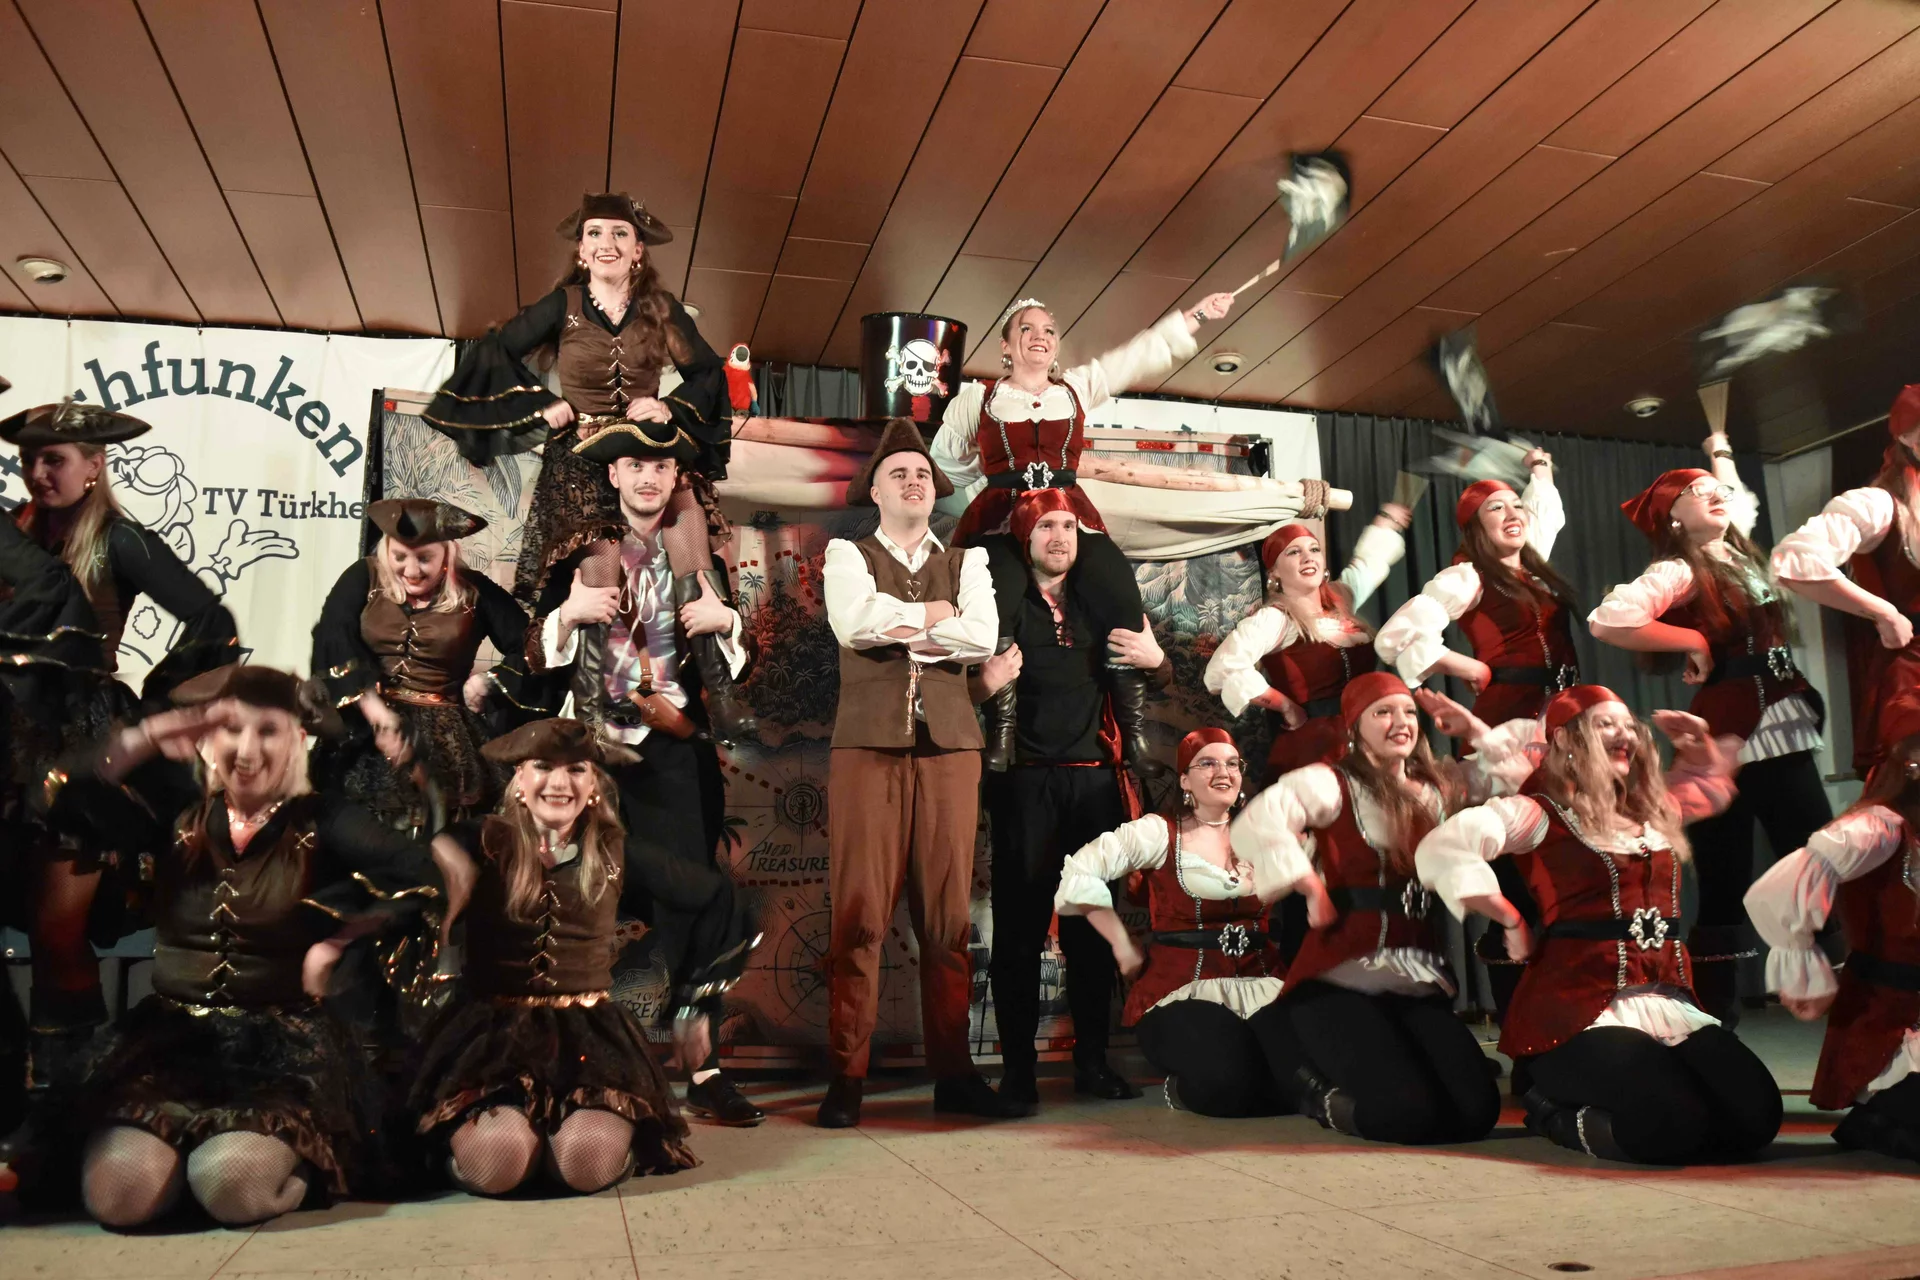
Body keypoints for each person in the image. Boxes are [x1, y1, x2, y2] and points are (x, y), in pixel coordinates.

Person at [35, 664, 463, 1227]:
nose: (247, 749)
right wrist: (148, 736)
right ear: (208, 738)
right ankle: (185, 1162)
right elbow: (64, 794)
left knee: (232, 1184)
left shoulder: (324, 819)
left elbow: (425, 873)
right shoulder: (175, 811)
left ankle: (288, 1170)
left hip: (281, 1057)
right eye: (232, 729)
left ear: (298, 739)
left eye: (268, 731)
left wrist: (343, 938)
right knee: (119, 1195)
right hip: (173, 1045)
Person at [422, 192, 752, 741]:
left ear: (638, 249)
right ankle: (597, 700)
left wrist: (668, 407)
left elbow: (707, 373)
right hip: (580, 454)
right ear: (581, 248)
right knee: (600, 553)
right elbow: (496, 350)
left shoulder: (659, 309)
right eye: (595, 233)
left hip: (645, 447)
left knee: (688, 529)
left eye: (620, 234)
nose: (607, 244)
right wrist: (539, 404)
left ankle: (720, 694)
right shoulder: (564, 305)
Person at [1416, 685, 1783, 1165]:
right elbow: (1444, 845)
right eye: (1605, 724)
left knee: (1756, 1119)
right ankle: (1548, 1110)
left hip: (1666, 1003)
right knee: (1670, 1125)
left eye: (1629, 725)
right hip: (1576, 1013)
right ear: (1565, 740)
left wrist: (1699, 750)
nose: (1624, 734)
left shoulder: (1654, 811)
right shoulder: (1538, 814)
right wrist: (1508, 917)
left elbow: (1713, 788)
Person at [528, 423, 765, 1126]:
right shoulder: (580, 554)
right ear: (614, 476)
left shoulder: (696, 556)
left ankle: (703, 1069)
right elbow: (530, 655)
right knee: (581, 905)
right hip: (591, 759)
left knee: (693, 904)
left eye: (661, 466)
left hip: (672, 757)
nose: (648, 478)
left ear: (675, 478)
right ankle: (579, 1072)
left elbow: (739, 661)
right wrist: (568, 614)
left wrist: (725, 620)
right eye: (635, 465)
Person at [3, 399, 239, 1098]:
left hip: (78, 741)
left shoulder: (118, 540)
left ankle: (73, 1098)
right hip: (10, 735)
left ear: (94, 465)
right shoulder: (13, 532)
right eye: (28, 460)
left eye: (54, 460)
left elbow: (212, 619)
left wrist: (159, 708)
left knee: (56, 930)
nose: (38, 474)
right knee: (28, 920)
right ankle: (33, 1096)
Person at [411, 719, 719, 1194]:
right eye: (542, 767)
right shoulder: (480, 839)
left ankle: (569, 1151)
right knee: (498, 1163)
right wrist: (438, 853)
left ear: (594, 783)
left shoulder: (616, 850)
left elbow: (716, 899)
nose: (560, 783)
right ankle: (515, 1151)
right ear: (518, 778)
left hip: (590, 1041)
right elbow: (404, 874)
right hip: (493, 1039)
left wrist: (694, 1002)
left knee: (585, 1164)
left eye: (576, 769)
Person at [931, 293, 1235, 773]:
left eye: (1048, 330)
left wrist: (1195, 315)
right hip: (1003, 518)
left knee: (1118, 588)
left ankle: (1134, 737)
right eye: (1027, 329)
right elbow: (946, 464)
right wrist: (992, 472)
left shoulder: (1075, 388)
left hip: (1066, 512)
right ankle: (1002, 733)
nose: (1040, 337)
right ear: (1005, 346)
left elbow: (1134, 356)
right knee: (995, 598)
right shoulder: (979, 398)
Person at [1589, 435, 1832, 1022]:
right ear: (1673, 516)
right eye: (1697, 492)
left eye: (1716, 489)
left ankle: (1827, 992)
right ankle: (1718, 1014)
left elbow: (1740, 498)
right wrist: (1692, 639)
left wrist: (1721, 453)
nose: (1716, 495)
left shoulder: (1739, 553)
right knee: (1760, 869)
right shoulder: (1679, 568)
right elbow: (1609, 619)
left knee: (1810, 859)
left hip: (1777, 716)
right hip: (1736, 728)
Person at [816, 418, 1013, 1127]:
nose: (913, 482)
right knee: (860, 915)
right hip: (867, 747)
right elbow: (853, 624)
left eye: (923, 474)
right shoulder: (847, 553)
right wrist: (934, 616)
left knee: (948, 920)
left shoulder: (970, 562)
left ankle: (954, 1074)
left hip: (952, 749)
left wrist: (903, 623)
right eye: (898, 473)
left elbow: (980, 637)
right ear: (874, 490)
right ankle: (847, 1075)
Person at [1230, 672, 1513, 1145]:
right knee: (1406, 1114)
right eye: (1383, 712)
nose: (1400, 722)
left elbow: (1520, 773)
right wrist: (1308, 884)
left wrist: (1473, 729)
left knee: (1476, 1113)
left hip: (1413, 981)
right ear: (1354, 727)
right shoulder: (1330, 784)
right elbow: (1258, 821)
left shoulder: (1439, 788)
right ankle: (1314, 1092)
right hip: (1338, 981)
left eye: (1409, 712)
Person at [971, 488, 1170, 1112]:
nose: (1059, 536)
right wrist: (983, 685)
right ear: (1025, 538)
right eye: (1046, 527)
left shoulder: (1096, 601)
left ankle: (1092, 1063)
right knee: (1019, 932)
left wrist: (1159, 659)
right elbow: (962, 683)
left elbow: (1153, 674)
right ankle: (1018, 1073)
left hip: (1092, 784)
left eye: (1068, 526)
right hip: (1024, 782)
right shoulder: (1003, 606)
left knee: (1090, 929)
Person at [1054, 728, 1296, 1117]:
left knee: (1309, 1074)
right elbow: (1079, 872)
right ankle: (1187, 1089)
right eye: (1208, 763)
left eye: (1232, 763)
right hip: (1182, 991)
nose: (1224, 772)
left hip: (1265, 983)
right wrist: (1121, 944)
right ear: (1184, 780)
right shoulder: (1159, 832)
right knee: (1230, 1083)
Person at [1745, 694, 1920, 1162]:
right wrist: (1803, 966)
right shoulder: (1879, 828)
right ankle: (1882, 1116)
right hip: (1894, 1024)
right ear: (1912, 760)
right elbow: (1779, 888)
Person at [310, 498, 528, 833]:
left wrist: (488, 682)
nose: (411, 571)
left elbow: (528, 646)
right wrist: (376, 713)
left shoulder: (475, 590)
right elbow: (333, 636)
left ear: (447, 553)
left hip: (446, 735)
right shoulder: (362, 576)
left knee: (438, 827)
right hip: (364, 720)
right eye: (399, 557)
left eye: (424, 558)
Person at [1771, 383, 1920, 775]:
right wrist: (1884, 612)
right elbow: (1795, 560)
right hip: (1914, 682)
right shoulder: (1878, 504)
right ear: (1907, 438)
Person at [1205, 507, 1408, 781]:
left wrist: (1387, 523)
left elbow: (1368, 565)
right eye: (1293, 552)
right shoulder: (1275, 619)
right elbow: (1222, 669)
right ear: (1275, 572)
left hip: (1367, 737)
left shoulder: (1340, 600)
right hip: (1316, 747)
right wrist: (1286, 706)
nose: (1308, 557)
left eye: (1314, 549)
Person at [1375, 449, 1573, 728]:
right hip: (1510, 717)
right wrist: (1470, 667)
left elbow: (1545, 510)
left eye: (1517, 506)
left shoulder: (1532, 569)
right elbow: (1394, 637)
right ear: (1477, 527)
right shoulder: (1467, 578)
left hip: (1563, 710)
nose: (1512, 515)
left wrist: (1539, 463)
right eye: (1496, 508)